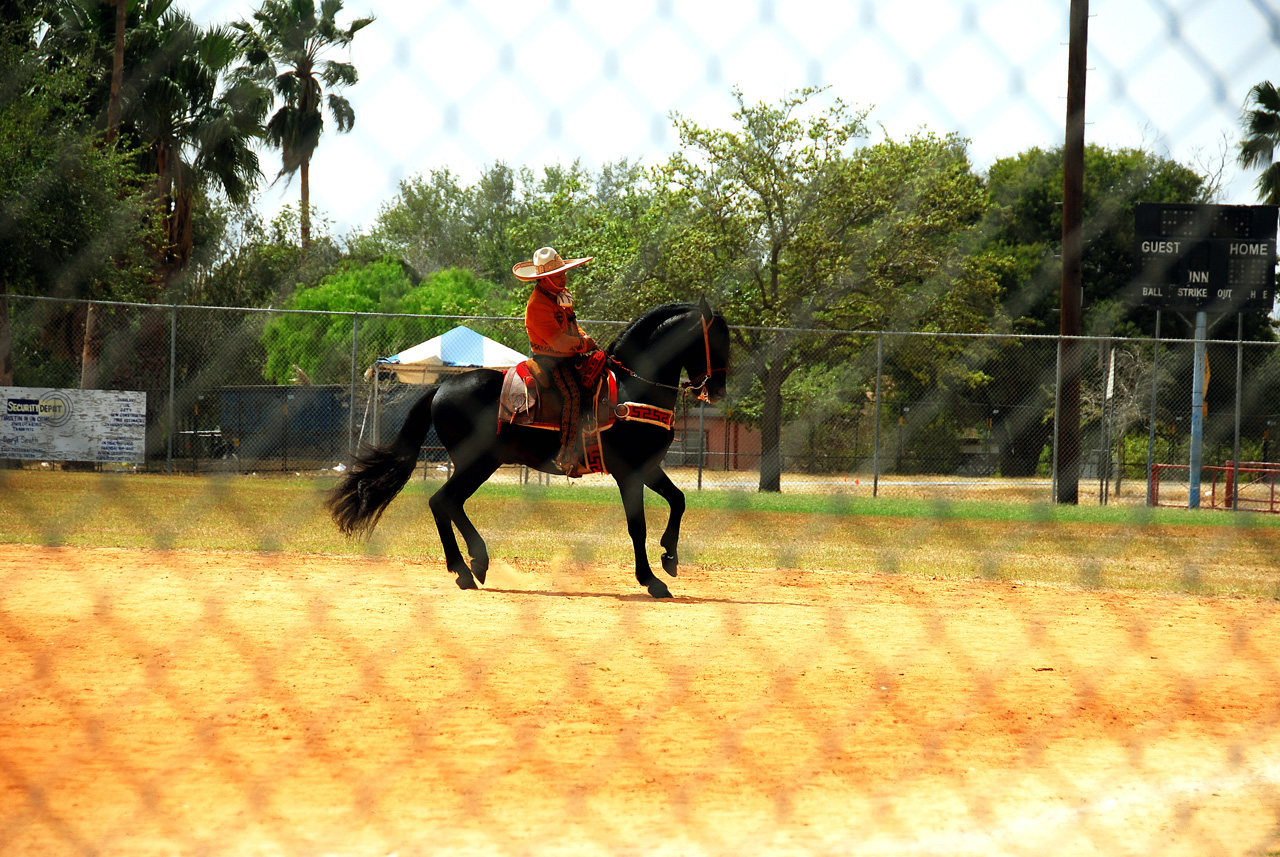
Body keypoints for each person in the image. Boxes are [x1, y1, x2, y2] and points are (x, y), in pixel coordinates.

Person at [512, 246, 598, 475]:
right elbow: (558, 342)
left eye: (563, 273)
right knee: (573, 395)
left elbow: (571, 324)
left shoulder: (561, 294)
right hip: (549, 359)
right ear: (545, 279)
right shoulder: (537, 305)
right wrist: (585, 344)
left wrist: (583, 336)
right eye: (559, 275)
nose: (564, 277)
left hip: (570, 355)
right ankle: (566, 455)